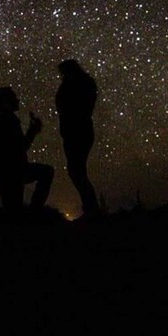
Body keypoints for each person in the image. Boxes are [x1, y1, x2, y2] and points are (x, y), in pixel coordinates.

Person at [0, 86, 54, 215]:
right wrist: (33, 130)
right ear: (7, 100)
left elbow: (18, 146)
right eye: (14, 97)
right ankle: (34, 212)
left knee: (13, 212)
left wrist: (32, 130)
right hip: (13, 171)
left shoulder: (2, 118)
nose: (18, 100)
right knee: (47, 172)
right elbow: (21, 146)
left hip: (5, 171)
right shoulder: (8, 119)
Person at [56, 59, 100, 218]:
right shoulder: (84, 83)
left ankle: (92, 210)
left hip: (76, 131)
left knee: (76, 171)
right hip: (78, 131)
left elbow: (75, 109)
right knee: (77, 171)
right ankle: (91, 208)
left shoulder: (74, 85)